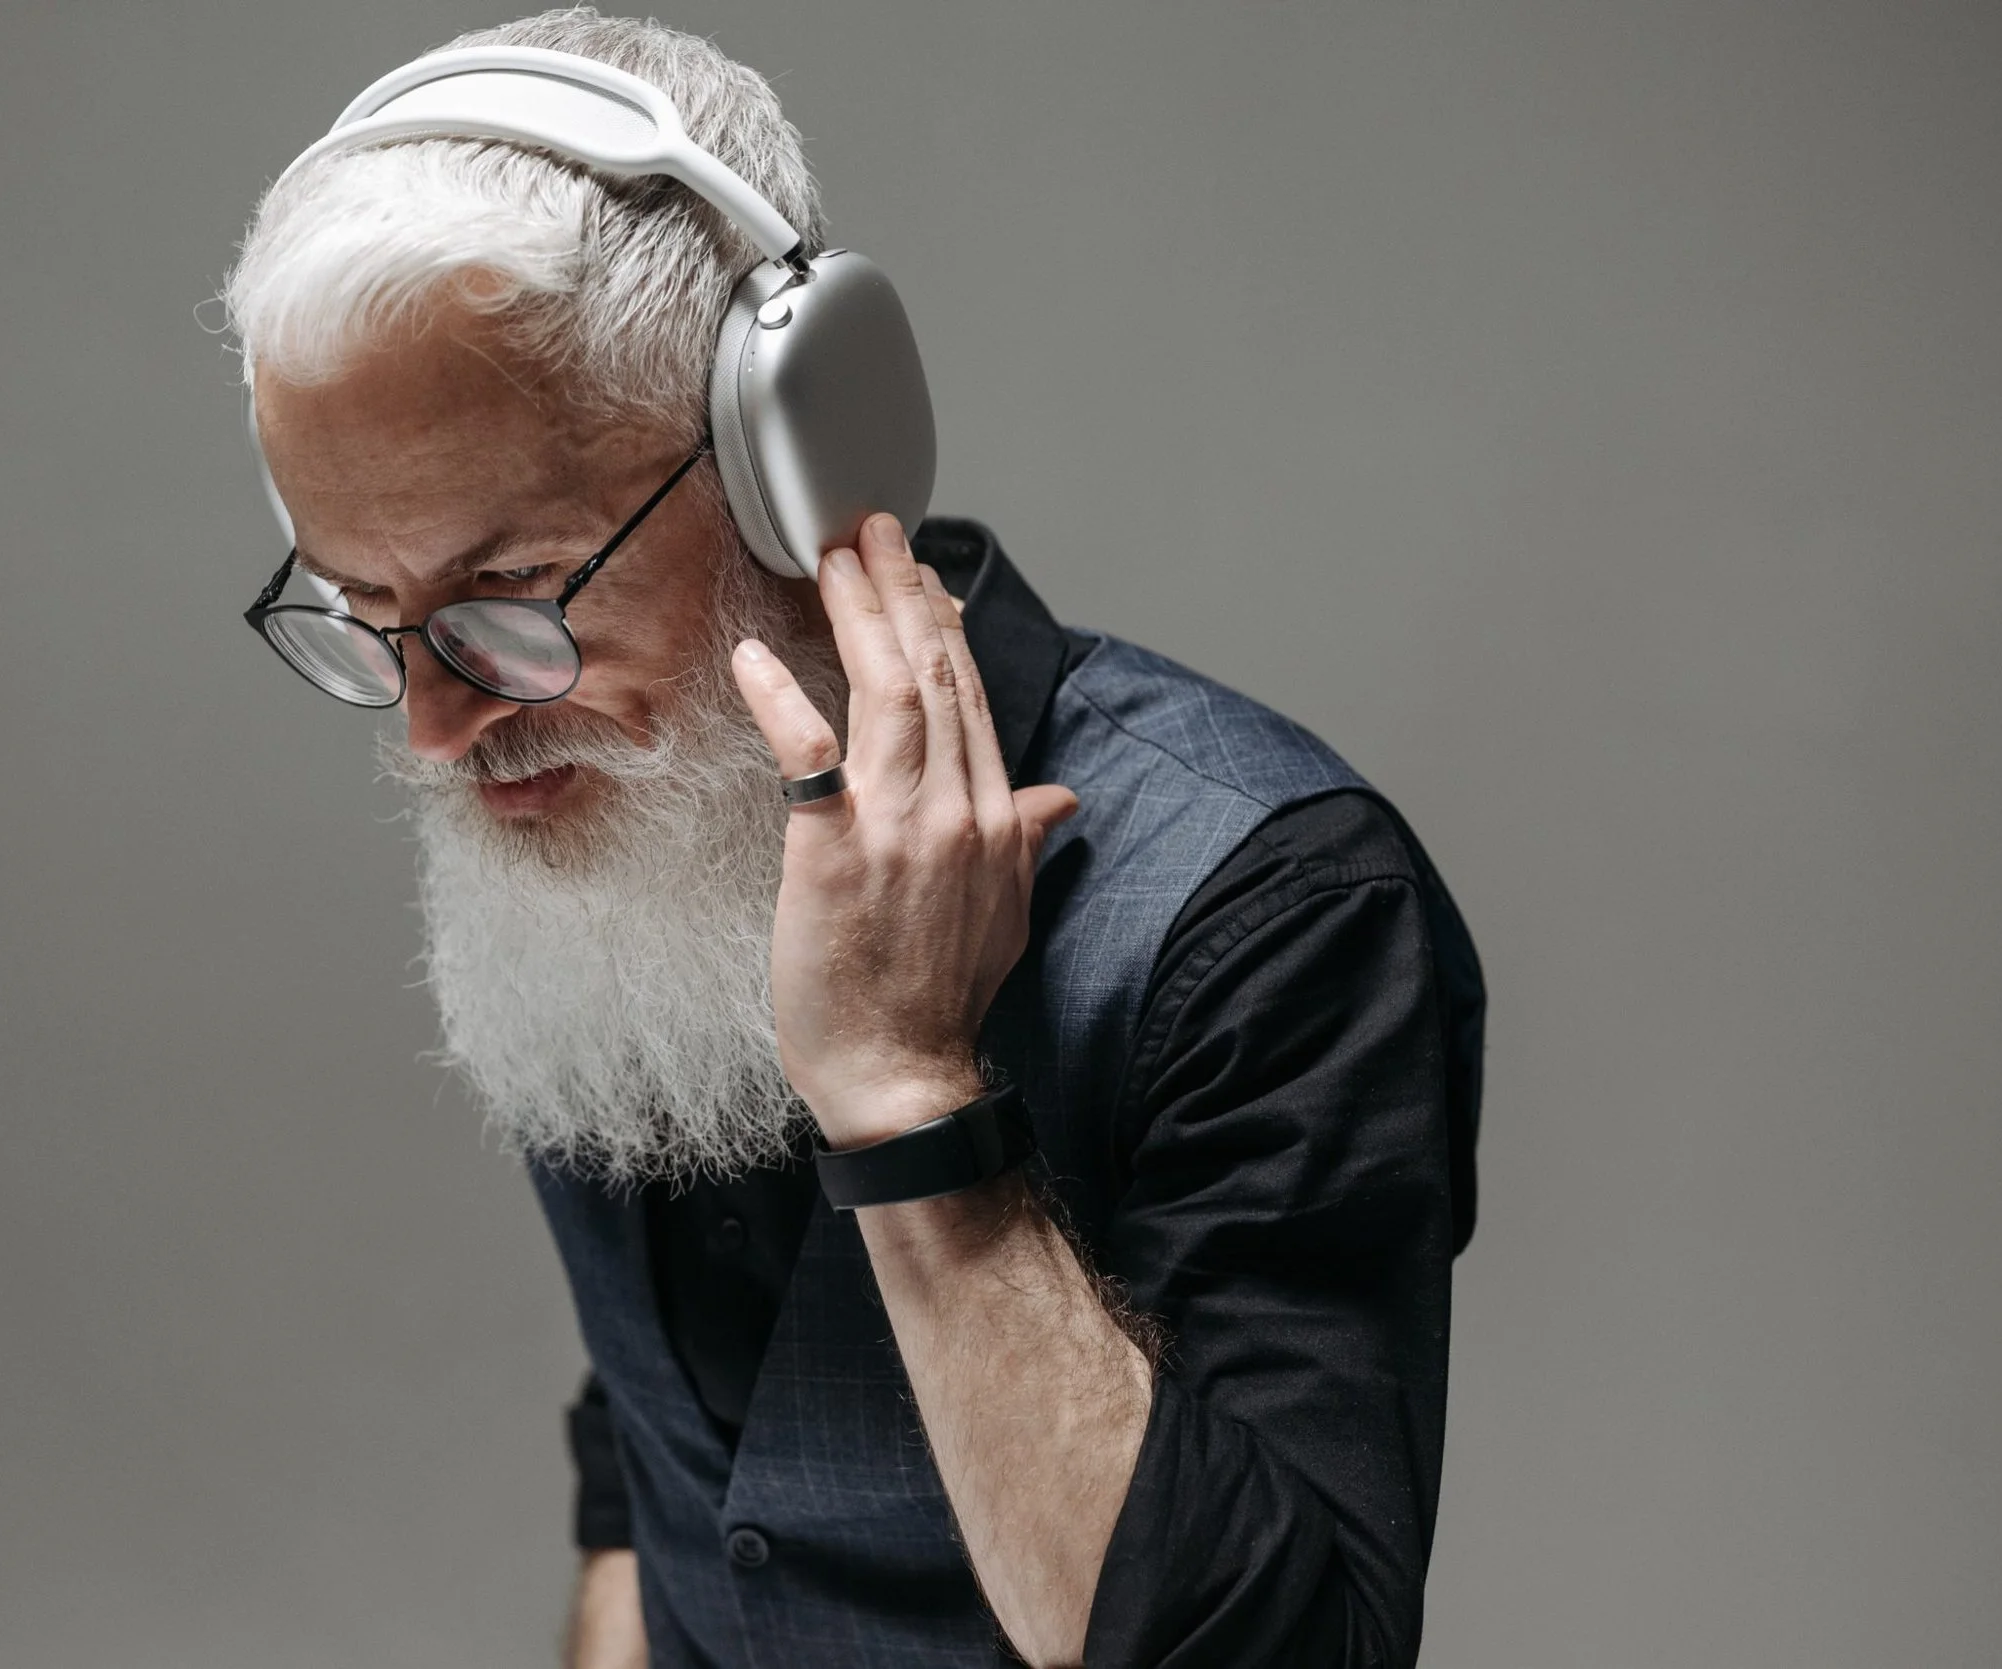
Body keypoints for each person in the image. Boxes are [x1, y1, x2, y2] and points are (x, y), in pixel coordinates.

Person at [220, 11, 1483, 1667]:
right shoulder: (612, 816)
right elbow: (660, 1449)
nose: (435, 730)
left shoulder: (1269, 908)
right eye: (367, 614)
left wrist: (908, 1096)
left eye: (511, 601)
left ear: (793, 467)